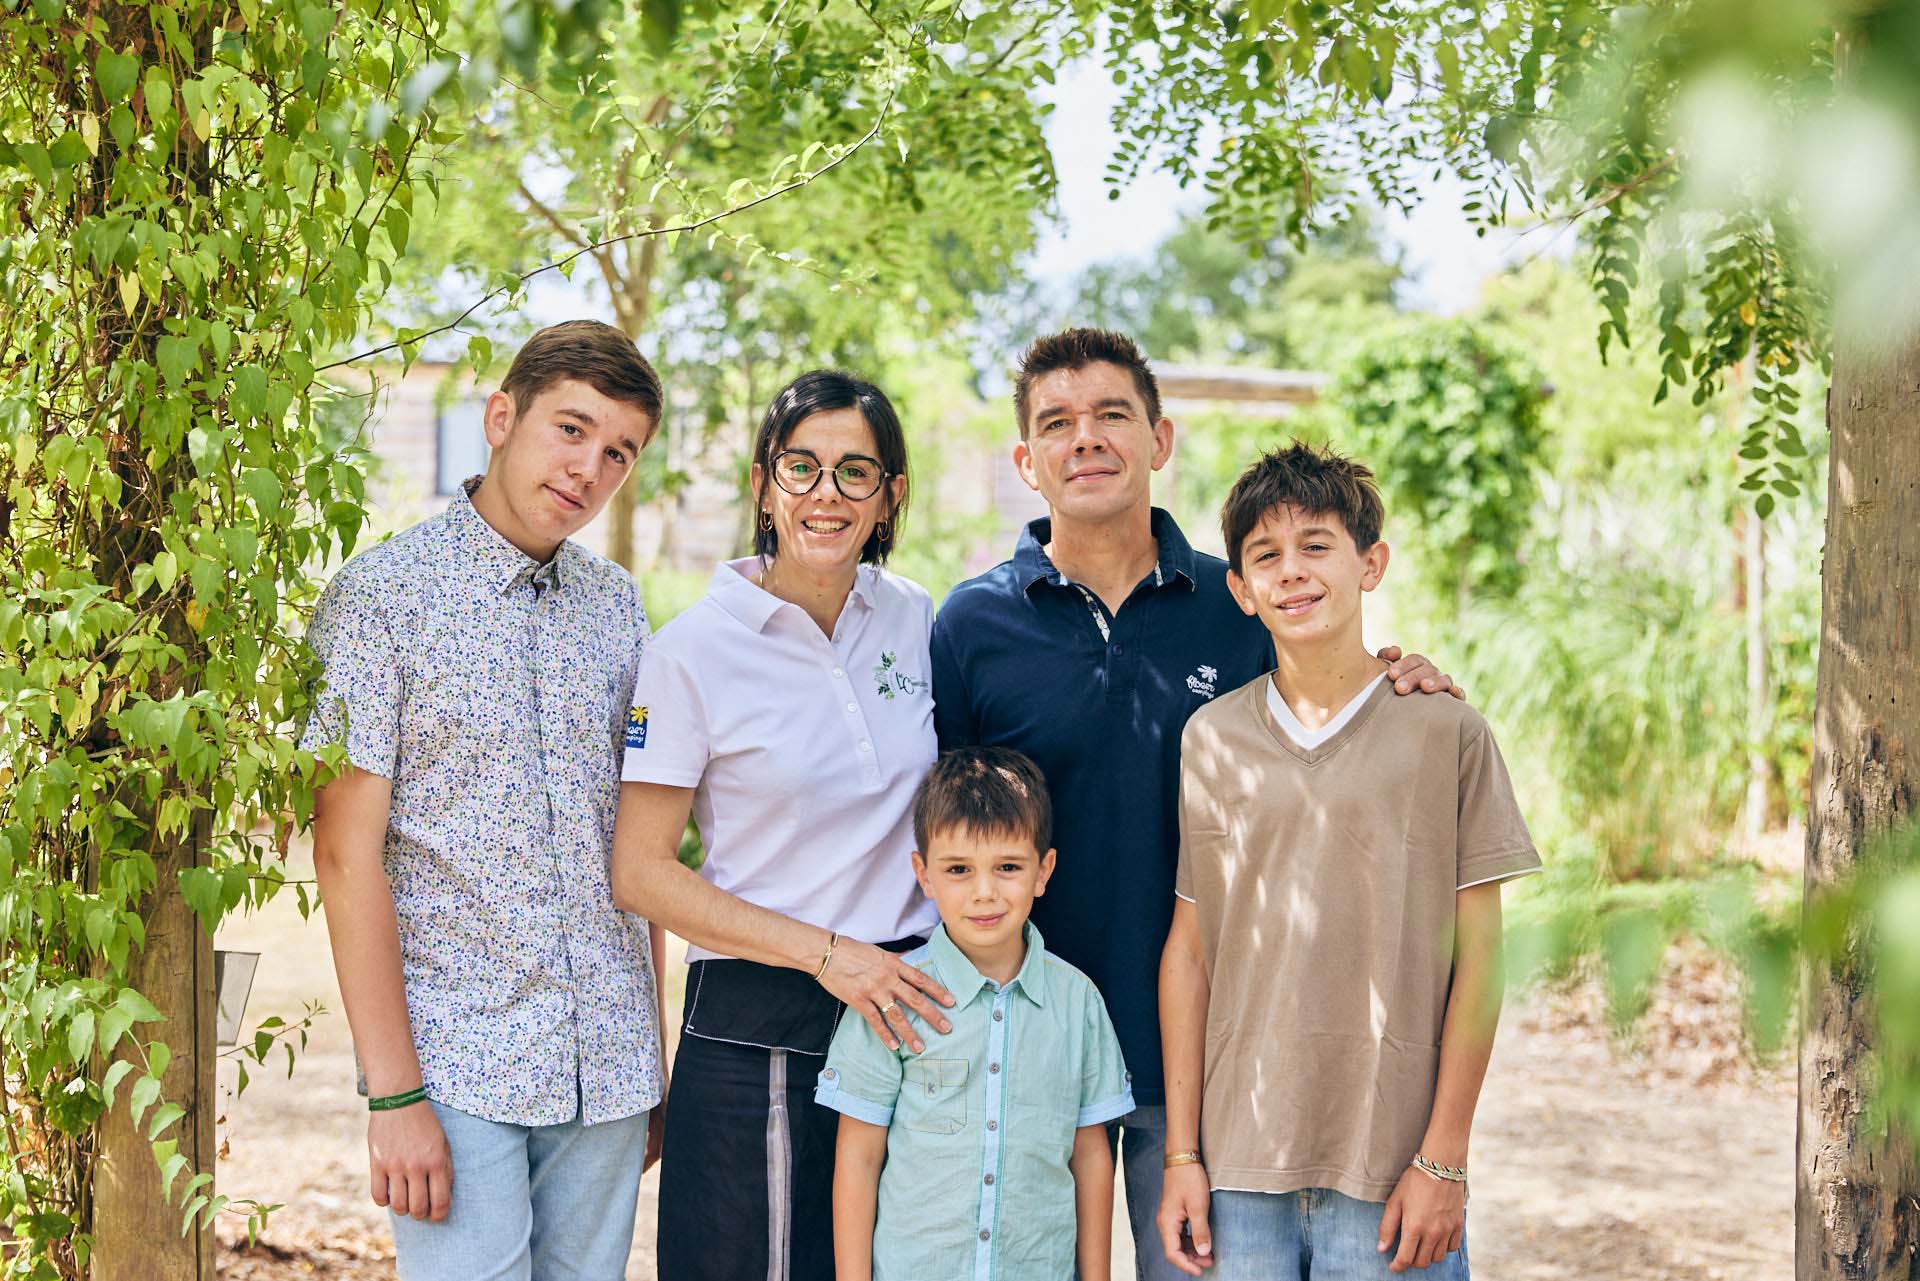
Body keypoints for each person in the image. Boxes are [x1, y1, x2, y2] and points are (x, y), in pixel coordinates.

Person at [928, 328, 1458, 1273]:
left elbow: (1323, 705)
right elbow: (951, 835)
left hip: (1212, 1061)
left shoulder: (1240, 597)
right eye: (1057, 422)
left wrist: (1397, 671)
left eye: (1112, 416)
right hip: (1033, 1043)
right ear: (1026, 460)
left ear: (1159, 439)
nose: (1085, 438)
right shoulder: (973, 623)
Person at [303, 319, 669, 1280]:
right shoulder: (381, 596)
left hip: (608, 1060)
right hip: (458, 1057)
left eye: (619, 451)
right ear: (500, 417)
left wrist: (652, 1053)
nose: (590, 468)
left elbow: (642, 840)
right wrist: (393, 1096)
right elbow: (345, 854)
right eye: (571, 429)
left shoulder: (620, 607)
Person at [1156, 442, 1540, 1278]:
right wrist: (1182, 1155)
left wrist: (1444, 1157)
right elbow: (1190, 949)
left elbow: (1482, 956)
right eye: (1266, 556)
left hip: (1391, 1172)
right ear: (1241, 589)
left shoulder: (1445, 733)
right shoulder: (1211, 739)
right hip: (1240, 1171)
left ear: (1371, 563)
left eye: (1316, 545)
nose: (1292, 572)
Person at [610, 369, 959, 1281]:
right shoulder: (690, 652)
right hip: (756, 1026)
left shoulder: (916, 619)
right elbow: (641, 873)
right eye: (801, 467)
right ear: (763, 487)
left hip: (905, 1015)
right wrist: (825, 951)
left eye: (855, 471)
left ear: (892, 496)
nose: (825, 494)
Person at [817, 747, 1135, 1281]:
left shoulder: (1079, 1002)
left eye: (1008, 867)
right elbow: (859, 1156)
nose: (985, 893)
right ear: (924, 874)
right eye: (958, 869)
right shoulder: (890, 996)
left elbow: (1090, 1154)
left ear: (1043, 871)